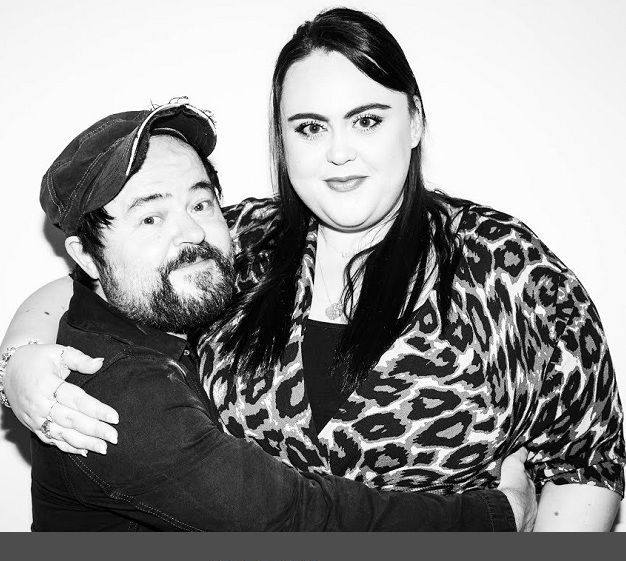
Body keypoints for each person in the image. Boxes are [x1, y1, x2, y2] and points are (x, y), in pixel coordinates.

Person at [2, 8, 623, 530]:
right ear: (283, 140)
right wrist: (20, 361)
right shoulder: (245, 240)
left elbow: (585, 464)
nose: (339, 152)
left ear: (414, 121)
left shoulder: (506, 267)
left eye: (367, 120)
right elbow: (88, 285)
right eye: (310, 127)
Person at [20, 101, 532, 531]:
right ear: (87, 257)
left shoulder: (166, 311)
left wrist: (14, 357)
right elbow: (293, 519)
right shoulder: (114, 394)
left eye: (200, 205)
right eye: (151, 217)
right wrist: (495, 515)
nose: (192, 234)